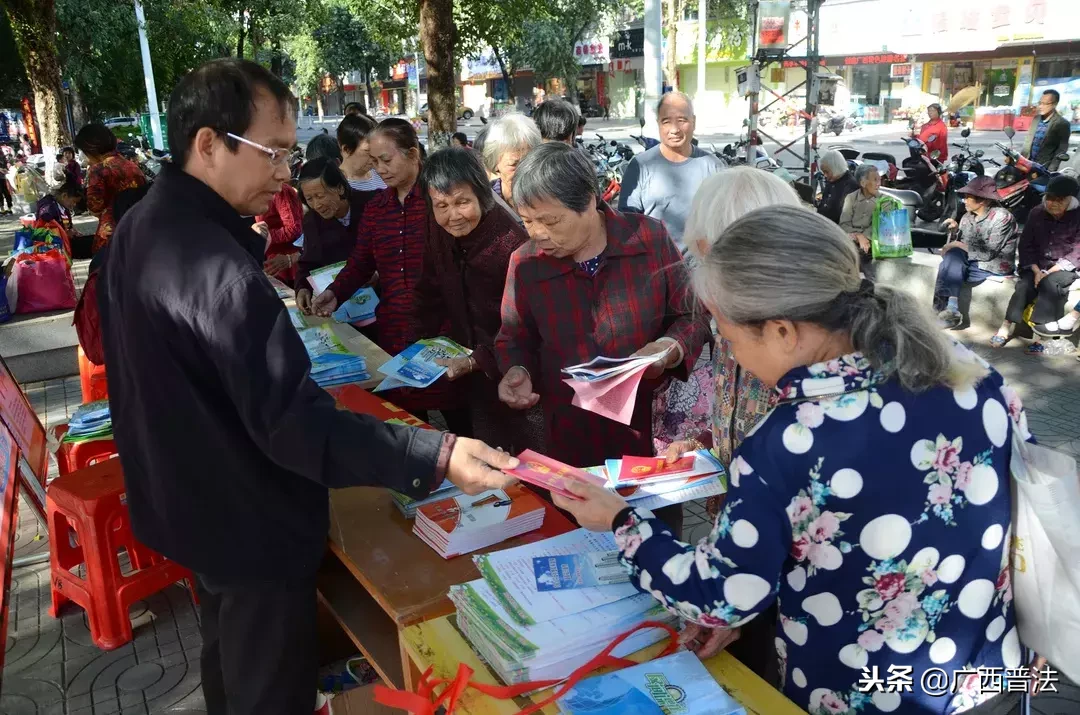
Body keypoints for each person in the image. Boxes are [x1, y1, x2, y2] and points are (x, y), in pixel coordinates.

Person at [97, 58, 517, 715]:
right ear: (208, 143)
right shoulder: (216, 269)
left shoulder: (144, 230)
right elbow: (293, 424)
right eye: (274, 153)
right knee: (268, 689)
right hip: (244, 520)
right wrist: (437, 454)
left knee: (228, 662)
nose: (286, 172)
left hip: (190, 505)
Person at [552, 205, 1031, 715]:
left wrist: (620, 520)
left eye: (730, 339)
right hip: (987, 673)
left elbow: (722, 591)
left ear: (782, 331)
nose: (731, 356)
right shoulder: (970, 371)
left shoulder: (789, 441)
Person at [495, 143, 708, 534]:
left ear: (590, 201)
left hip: (646, 435)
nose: (539, 234)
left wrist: (669, 349)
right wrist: (517, 370)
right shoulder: (526, 263)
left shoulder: (648, 239)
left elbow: (692, 316)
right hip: (569, 438)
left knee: (654, 541)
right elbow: (513, 335)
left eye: (551, 221)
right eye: (527, 221)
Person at [311, 119, 464, 426]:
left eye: (386, 160)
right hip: (394, 333)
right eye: (375, 162)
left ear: (413, 153)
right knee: (407, 423)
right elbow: (361, 262)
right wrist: (334, 293)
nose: (380, 169)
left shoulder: (441, 202)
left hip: (444, 332)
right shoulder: (377, 208)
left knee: (459, 418)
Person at [414, 148, 535, 448]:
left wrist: (479, 359)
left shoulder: (510, 244)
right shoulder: (438, 229)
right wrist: (420, 342)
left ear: (481, 195)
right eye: (441, 205)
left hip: (515, 372)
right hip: (469, 372)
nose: (453, 216)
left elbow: (527, 326)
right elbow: (428, 288)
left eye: (462, 202)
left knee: (524, 452)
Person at [619, 91, 723, 252]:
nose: (674, 129)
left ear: (693, 122)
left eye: (682, 120)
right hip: (653, 269)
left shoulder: (713, 167)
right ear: (658, 124)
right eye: (666, 121)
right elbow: (627, 225)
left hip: (700, 270)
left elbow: (724, 221)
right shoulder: (640, 166)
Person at [995, 174, 1080, 347]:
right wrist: (1035, 270)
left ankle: (1040, 335)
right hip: (1036, 264)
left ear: (1070, 200)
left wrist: (1047, 272)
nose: (1053, 204)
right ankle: (1005, 326)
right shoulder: (1036, 213)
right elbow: (1026, 245)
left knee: (1050, 285)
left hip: (1063, 268)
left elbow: (1077, 252)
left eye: (1060, 200)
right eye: (1050, 199)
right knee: (1024, 285)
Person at [293, 158, 377, 312]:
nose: (317, 205)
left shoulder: (373, 205)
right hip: (342, 304)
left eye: (320, 196)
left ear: (340, 188)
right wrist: (302, 287)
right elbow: (308, 262)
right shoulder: (312, 221)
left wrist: (378, 273)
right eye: (309, 199)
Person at [935, 176, 1019, 329]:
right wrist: (954, 232)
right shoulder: (967, 217)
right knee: (951, 258)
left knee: (949, 262)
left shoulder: (1002, 217)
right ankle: (950, 310)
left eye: (968, 197)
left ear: (983, 200)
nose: (964, 200)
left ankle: (946, 309)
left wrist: (956, 244)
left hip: (993, 265)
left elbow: (988, 253)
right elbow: (963, 245)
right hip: (970, 262)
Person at [74, 122, 147, 253]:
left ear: (90, 149)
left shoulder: (98, 169)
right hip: (139, 230)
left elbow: (95, 207)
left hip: (112, 235)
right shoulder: (132, 166)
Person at [481, 113, 541, 217]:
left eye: (528, 162)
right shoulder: (484, 203)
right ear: (495, 163)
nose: (522, 171)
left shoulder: (547, 199)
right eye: (514, 164)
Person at [255, 183, 304, 284]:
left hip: (289, 264)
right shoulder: (257, 191)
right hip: (273, 263)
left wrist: (264, 235)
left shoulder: (281, 191)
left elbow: (293, 229)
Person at [839, 163, 880, 277]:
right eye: (875, 180)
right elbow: (844, 224)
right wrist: (858, 236)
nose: (878, 184)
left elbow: (878, 227)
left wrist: (865, 237)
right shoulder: (851, 198)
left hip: (872, 244)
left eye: (879, 180)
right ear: (863, 183)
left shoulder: (884, 201)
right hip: (852, 240)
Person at [1023, 89, 1071, 172]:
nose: (1041, 106)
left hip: (1043, 168)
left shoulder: (1062, 123)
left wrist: (1051, 169)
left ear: (1055, 104)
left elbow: (1062, 149)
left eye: (1045, 104)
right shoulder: (1036, 119)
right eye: (1040, 103)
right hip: (1027, 164)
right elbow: (1028, 141)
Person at [337, 113, 387, 192]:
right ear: (346, 149)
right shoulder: (335, 186)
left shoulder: (382, 175)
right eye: (367, 151)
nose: (375, 157)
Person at [816, 149, 858, 225]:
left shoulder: (850, 186)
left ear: (836, 168)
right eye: (823, 172)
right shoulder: (832, 180)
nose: (825, 175)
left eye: (827, 172)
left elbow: (841, 214)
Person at [0, 148, 14, 214]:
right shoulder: (2, 154)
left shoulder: (2, 155)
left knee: (3, 193)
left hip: (2, 177)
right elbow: (5, 165)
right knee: (5, 192)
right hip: (3, 177)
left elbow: (5, 165)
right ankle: (8, 208)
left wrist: (4, 169)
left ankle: (4, 209)